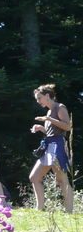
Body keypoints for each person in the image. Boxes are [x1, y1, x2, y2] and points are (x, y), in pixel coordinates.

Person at [29, 83, 74, 213]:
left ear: (47, 96)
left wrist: (48, 119)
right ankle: (39, 208)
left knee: (62, 180)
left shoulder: (60, 107)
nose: (38, 101)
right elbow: (51, 132)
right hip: (48, 146)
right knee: (34, 177)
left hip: (58, 146)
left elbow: (67, 127)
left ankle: (69, 211)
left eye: (39, 98)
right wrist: (41, 128)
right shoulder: (48, 112)